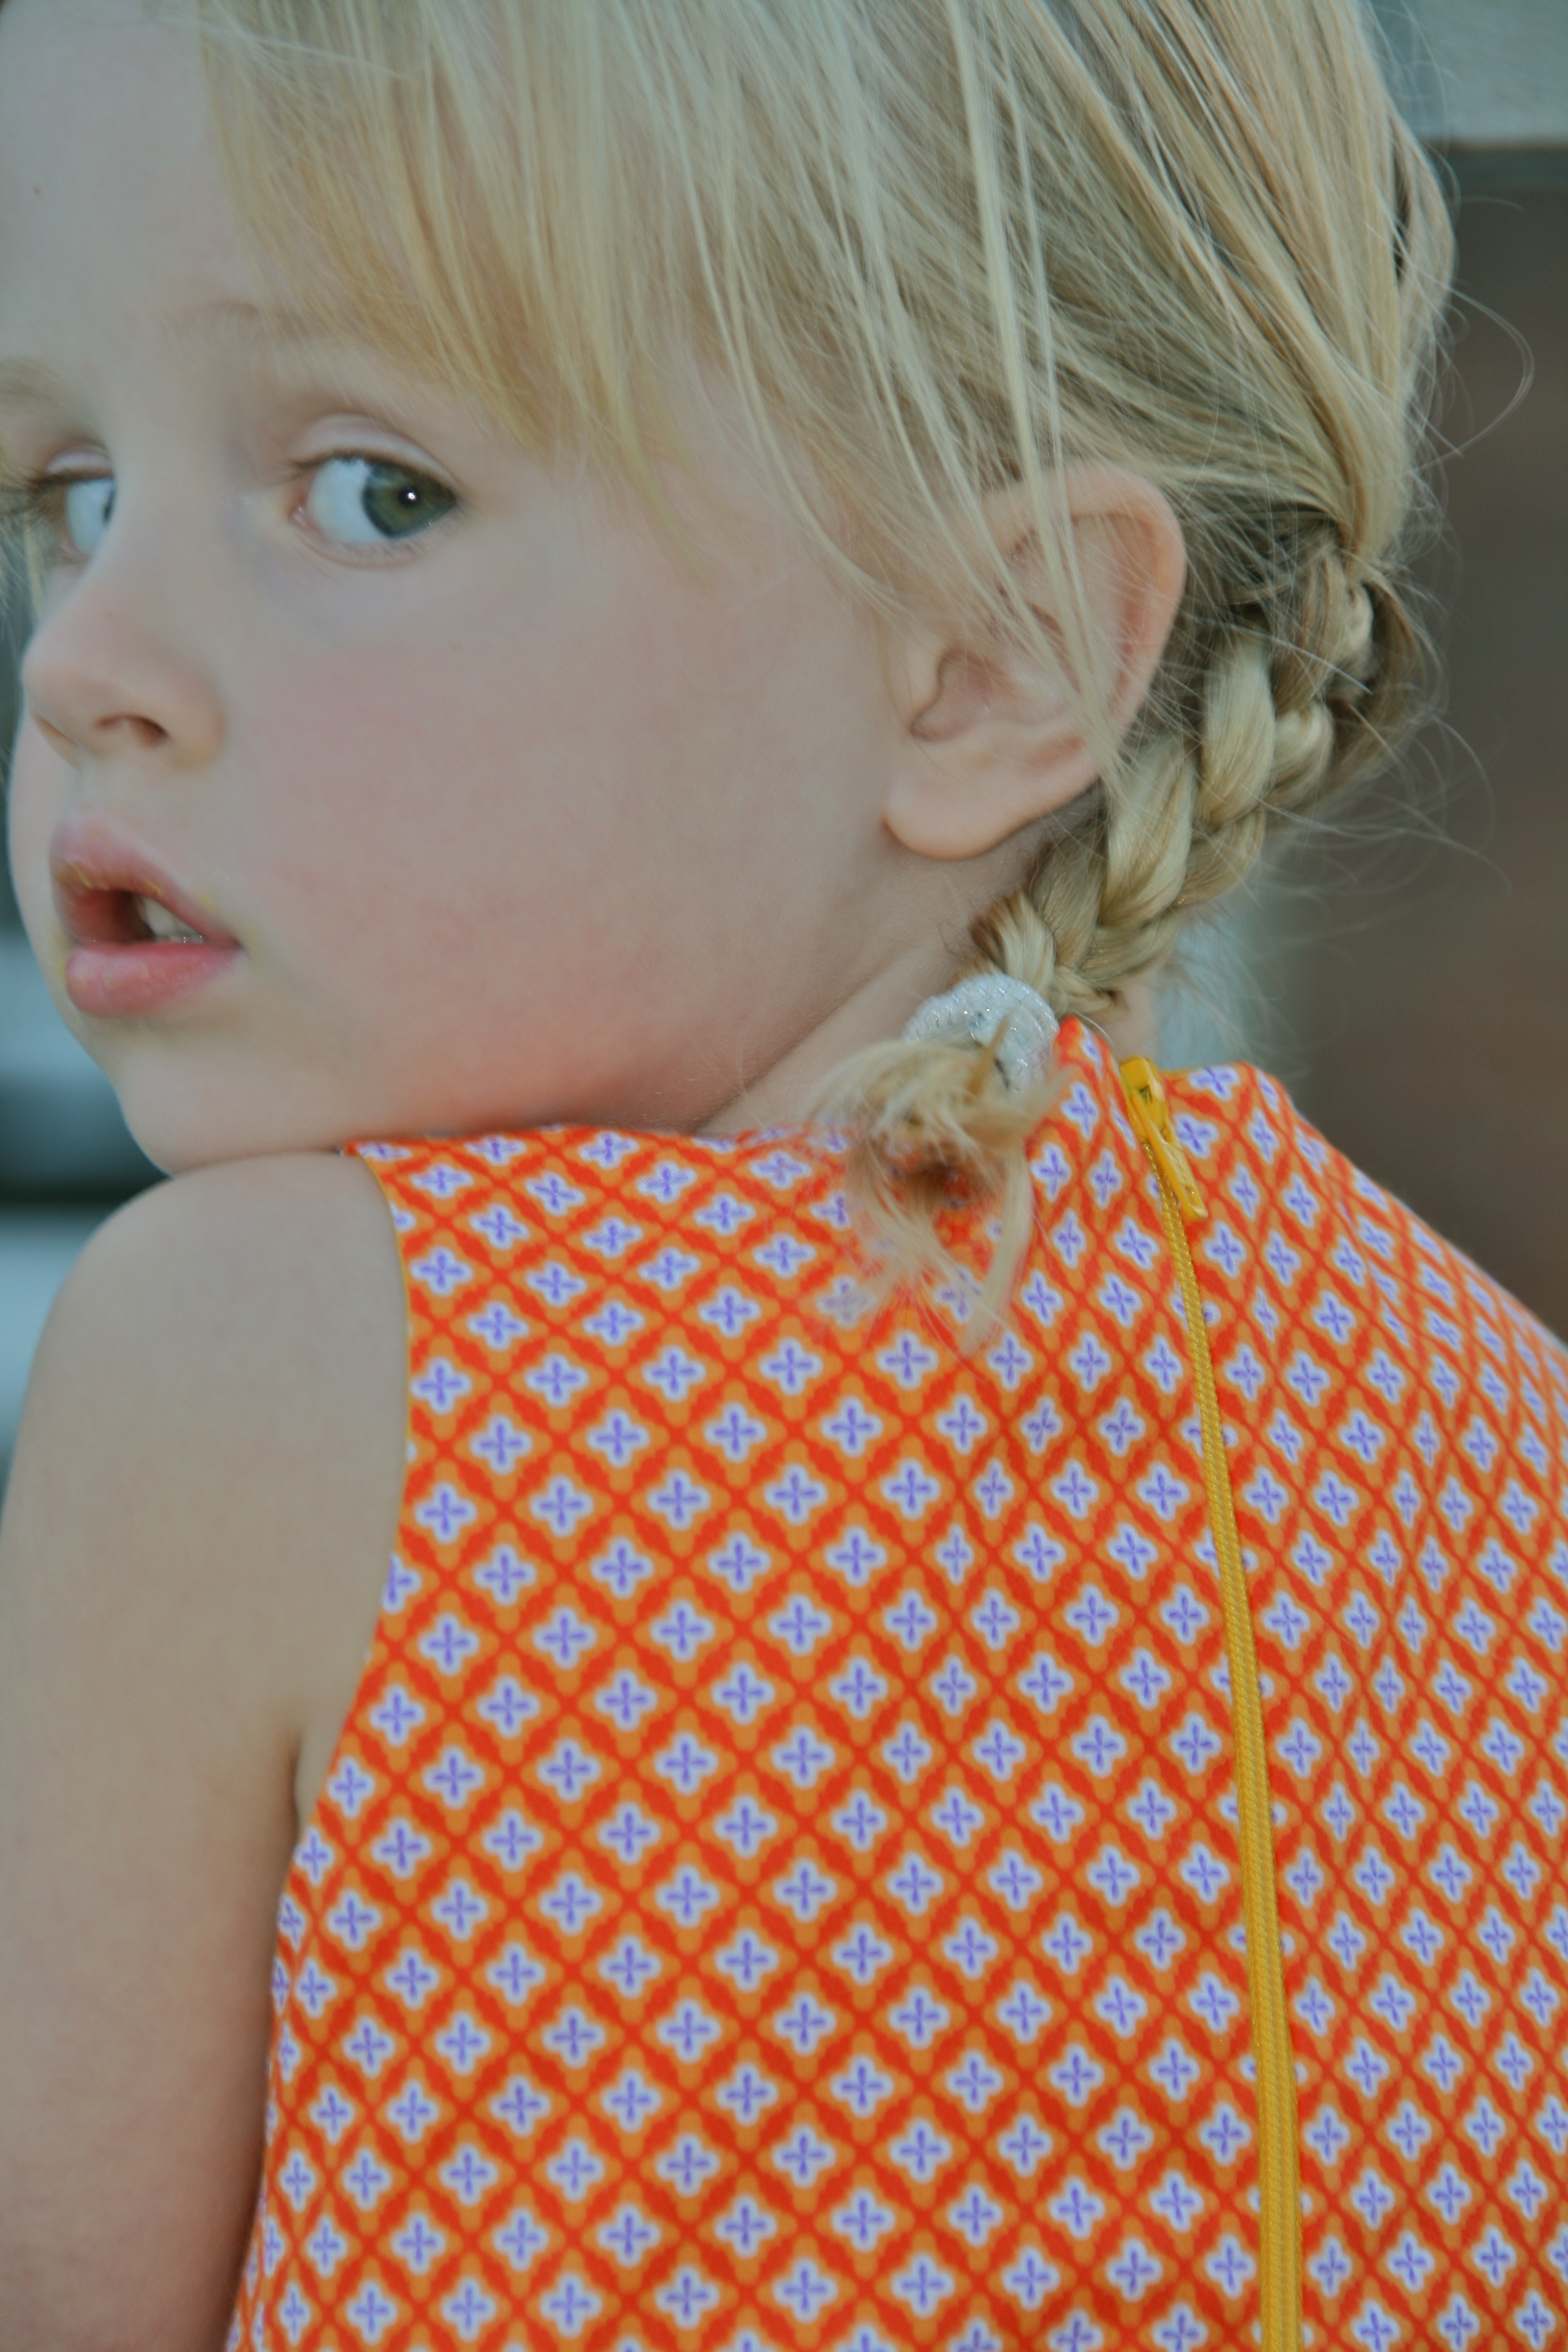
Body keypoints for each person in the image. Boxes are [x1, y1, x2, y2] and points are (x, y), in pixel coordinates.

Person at [0, 1, 1561, 2348]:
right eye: (67, 493)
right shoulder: (1497, 1428)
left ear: (992, 660)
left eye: (374, 488)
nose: (84, 664)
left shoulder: (283, 1362)